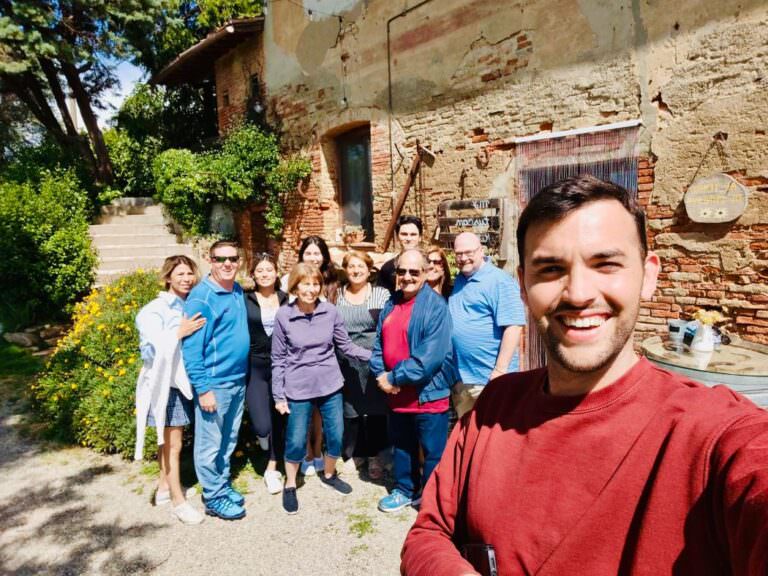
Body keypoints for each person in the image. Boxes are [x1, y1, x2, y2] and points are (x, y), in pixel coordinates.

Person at [401, 175, 768, 575]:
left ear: (648, 276)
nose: (578, 293)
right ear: (522, 286)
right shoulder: (494, 407)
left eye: (605, 264)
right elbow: (428, 534)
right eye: (551, 269)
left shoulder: (712, 435)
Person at [271, 263, 372, 514]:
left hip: (329, 384)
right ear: (295, 286)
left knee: (336, 436)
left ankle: (328, 474)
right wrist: (278, 394)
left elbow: (346, 346)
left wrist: (376, 356)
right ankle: (291, 484)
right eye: (305, 283)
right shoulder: (284, 315)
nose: (311, 289)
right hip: (298, 387)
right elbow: (278, 358)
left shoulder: (330, 312)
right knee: (295, 440)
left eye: (315, 283)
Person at [370, 249, 455, 513]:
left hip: (428, 394)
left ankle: (430, 501)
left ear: (426, 272)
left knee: (433, 453)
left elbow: (430, 357)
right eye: (402, 271)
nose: (407, 277)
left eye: (413, 272)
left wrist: (394, 377)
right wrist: (381, 375)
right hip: (397, 394)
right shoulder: (391, 302)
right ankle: (405, 490)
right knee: (402, 446)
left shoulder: (436, 306)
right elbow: (378, 345)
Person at [134, 255, 206, 525]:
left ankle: (164, 487)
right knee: (173, 444)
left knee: (171, 441)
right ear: (167, 277)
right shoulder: (154, 310)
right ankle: (178, 501)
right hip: (166, 384)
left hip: (183, 381)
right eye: (180, 274)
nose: (186, 279)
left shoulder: (189, 304)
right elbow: (150, 350)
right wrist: (179, 331)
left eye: (190, 274)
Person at [182, 240, 250, 521]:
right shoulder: (202, 298)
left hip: (237, 380)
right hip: (215, 384)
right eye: (220, 259)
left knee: (228, 439)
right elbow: (191, 349)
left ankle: (221, 485)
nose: (227, 264)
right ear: (210, 261)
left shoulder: (235, 290)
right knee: (210, 443)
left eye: (232, 259)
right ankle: (213, 497)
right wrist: (203, 388)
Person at [280, 235, 341, 475]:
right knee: (301, 414)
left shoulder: (331, 280)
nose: (314, 257)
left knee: (321, 413)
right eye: (309, 253)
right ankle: (304, 453)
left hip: (326, 360)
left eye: (318, 253)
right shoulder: (291, 283)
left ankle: (318, 451)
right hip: (299, 362)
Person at [448, 232, 526, 418]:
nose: (463, 258)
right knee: (470, 439)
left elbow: (513, 327)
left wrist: (500, 371)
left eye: (469, 252)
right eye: (459, 253)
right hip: (463, 380)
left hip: (489, 379)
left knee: (495, 438)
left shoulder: (499, 281)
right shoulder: (460, 280)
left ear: (481, 251)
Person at [336, 250, 391, 480]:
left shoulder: (381, 294)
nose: (356, 271)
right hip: (345, 360)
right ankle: (355, 453)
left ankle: (376, 456)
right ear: (345, 270)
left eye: (360, 266)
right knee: (351, 410)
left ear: (369, 270)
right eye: (351, 266)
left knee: (377, 409)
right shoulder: (336, 294)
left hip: (374, 356)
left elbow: (389, 325)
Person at [244, 252, 288, 495]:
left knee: (279, 418)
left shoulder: (286, 299)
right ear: (253, 274)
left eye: (268, 270)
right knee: (262, 425)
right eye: (259, 270)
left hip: (281, 366)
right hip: (255, 365)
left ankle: (273, 467)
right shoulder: (244, 299)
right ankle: (264, 439)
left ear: (276, 273)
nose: (264, 274)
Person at [377, 215, 423, 293]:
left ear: (420, 237)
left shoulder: (429, 264)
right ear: (397, 237)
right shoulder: (388, 268)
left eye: (413, 234)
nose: (408, 239)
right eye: (404, 234)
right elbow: (380, 298)